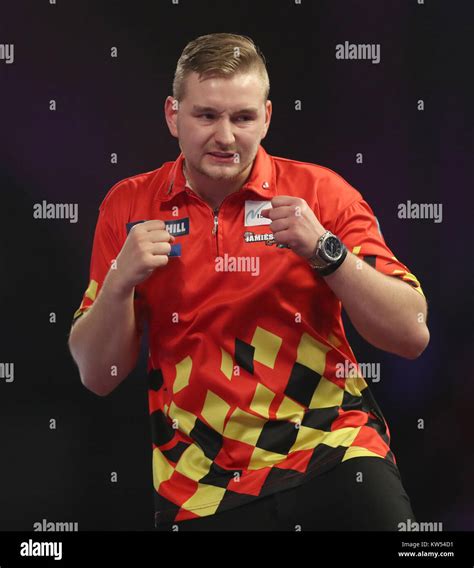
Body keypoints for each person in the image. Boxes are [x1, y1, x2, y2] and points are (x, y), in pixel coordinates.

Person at [68, 32, 430, 531]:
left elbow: (411, 334)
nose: (225, 136)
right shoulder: (127, 206)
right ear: (173, 115)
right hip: (201, 488)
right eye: (206, 115)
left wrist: (327, 252)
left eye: (242, 117)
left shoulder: (320, 193)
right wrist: (119, 282)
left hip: (334, 452)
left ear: (267, 117)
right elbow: (97, 375)